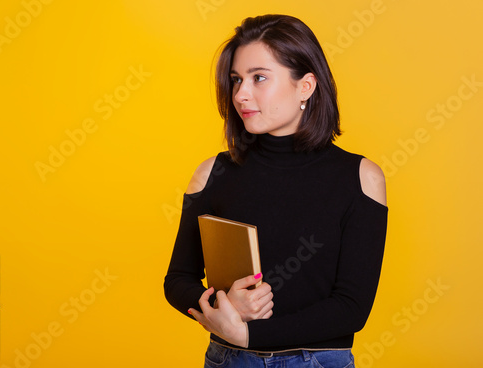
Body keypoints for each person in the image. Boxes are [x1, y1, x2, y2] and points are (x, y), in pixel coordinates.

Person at [164, 14, 388, 367]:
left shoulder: (361, 178)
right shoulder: (212, 172)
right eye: (236, 79)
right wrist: (222, 305)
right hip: (229, 359)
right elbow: (178, 280)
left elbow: (351, 308)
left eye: (259, 78)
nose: (240, 94)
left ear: (306, 86)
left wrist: (249, 335)